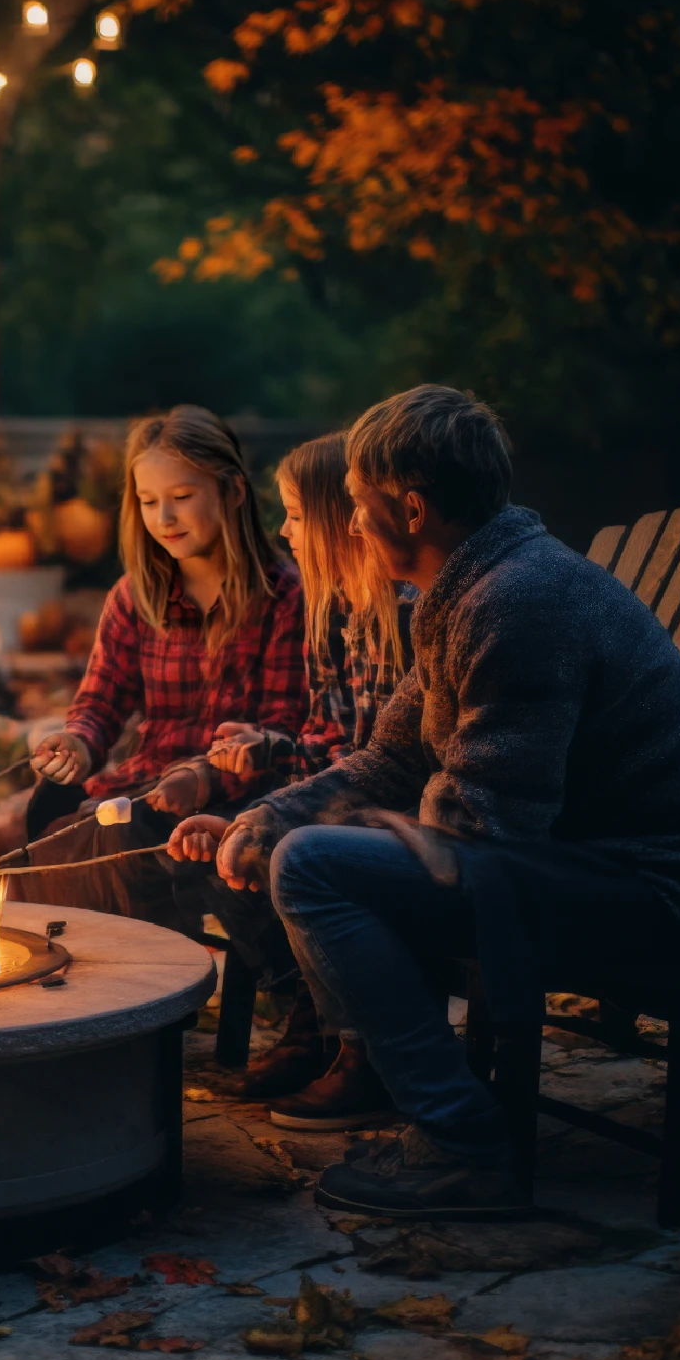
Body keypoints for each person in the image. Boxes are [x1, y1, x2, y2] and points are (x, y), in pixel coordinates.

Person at [213, 385, 680, 1218]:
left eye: (357, 504)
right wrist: (271, 813)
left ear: (413, 508)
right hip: (577, 864)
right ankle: (412, 1093)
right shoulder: (467, 587)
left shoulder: (519, 601)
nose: (350, 523)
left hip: (661, 897)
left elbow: (484, 824)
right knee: (302, 845)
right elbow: (392, 757)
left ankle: (465, 1146)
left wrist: (320, 836)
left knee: (318, 868)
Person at [167, 433, 415, 1107]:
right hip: (358, 795)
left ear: (344, 520)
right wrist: (270, 749)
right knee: (203, 848)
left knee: (275, 848)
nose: (284, 529)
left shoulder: (407, 615)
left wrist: (272, 817)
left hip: (408, 817)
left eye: (298, 515)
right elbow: (330, 741)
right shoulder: (337, 608)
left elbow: (390, 766)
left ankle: (351, 1046)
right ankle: (307, 1020)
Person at [4, 405, 305, 935]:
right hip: (145, 789)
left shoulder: (285, 597)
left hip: (238, 795)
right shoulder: (136, 597)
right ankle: (104, 975)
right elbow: (100, 704)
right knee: (55, 835)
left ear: (233, 492)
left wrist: (205, 776)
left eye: (182, 498)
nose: (164, 518)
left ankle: (154, 988)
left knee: (121, 839)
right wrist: (77, 743)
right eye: (148, 502)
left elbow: (285, 731)